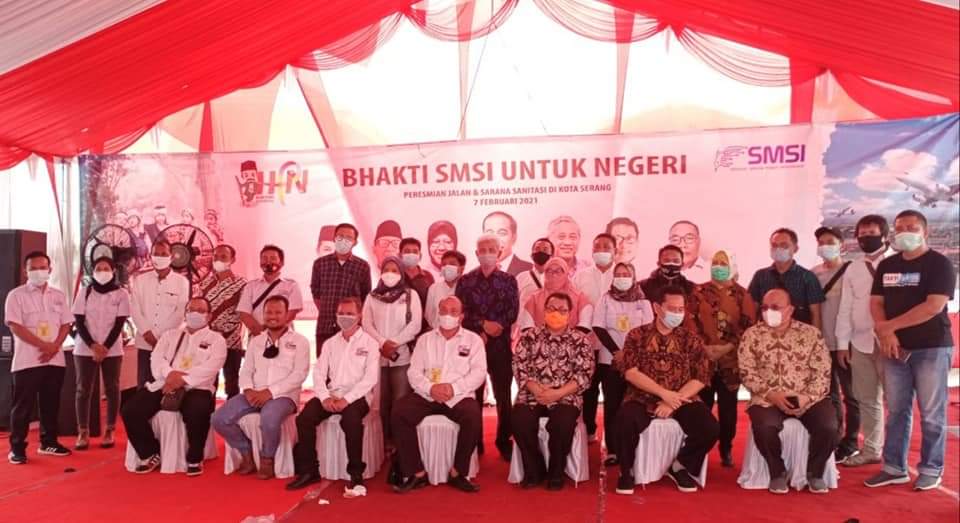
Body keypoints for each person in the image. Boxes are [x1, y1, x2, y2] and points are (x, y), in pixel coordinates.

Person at [865, 210, 956, 492]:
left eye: (912, 227)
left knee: (931, 413)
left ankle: (931, 469)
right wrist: (887, 333)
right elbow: (876, 302)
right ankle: (894, 468)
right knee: (897, 411)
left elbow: (933, 306)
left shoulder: (940, 264)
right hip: (894, 348)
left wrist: (888, 327)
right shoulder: (887, 265)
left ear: (925, 232)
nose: (905, 232)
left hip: (931, 348)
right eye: (900, 227)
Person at [614, 285, 718, 495]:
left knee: (710, 428)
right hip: (642, 396)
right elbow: (631, 373)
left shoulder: (690, 339)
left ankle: (680, 466)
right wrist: (664, 394)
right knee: (624, 421)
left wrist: (674, 400)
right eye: (672, 309)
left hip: (682, 397)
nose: (677, 314)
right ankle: (627, 471)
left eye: (681, 309)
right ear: (657, 308)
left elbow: (701, 377)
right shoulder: (637, 335)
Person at [739, 289, 836, 494]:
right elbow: (747, 373)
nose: (769, 312)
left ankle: (815, 473)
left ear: (790, 310)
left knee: (828, 426)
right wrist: (771, 395)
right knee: (764, 426)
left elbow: (823, 372)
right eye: (765, 308)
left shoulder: (811, 334)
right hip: (767, 398)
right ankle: (777, 472)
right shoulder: (752, 335)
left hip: (807, 397)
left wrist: (807, 397)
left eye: (775, 307)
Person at [121, 297, 227, 476]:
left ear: (209, 316)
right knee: (130, 409)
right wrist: (170, 375)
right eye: (191, 310)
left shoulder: (216, 340)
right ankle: (149, 453)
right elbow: (156, 358)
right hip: (165, 383)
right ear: (185, 313)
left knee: (197, 410)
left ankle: (194, 458)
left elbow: (212, 366)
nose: (195, 313)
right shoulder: (170, 335)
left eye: (200, 311)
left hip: (197, 387)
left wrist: (184, 379)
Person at [391, 296, 487, 494]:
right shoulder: (425, 340)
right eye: (444, 310)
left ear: (461, 316)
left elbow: (479, 373)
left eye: (453, 311)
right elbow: (414, 372)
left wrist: (454, 388)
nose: (447, 315)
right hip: (427, 394)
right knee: (399, 412)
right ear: (437, 313)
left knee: (472, 416)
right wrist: (431, 388)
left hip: (458, 395)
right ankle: (416, 473)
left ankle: (458, 473)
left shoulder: (473, 340)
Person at [287, 297, 379, 491]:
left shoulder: (370, 344)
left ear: (359, 316)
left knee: (351, 420)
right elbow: (319, 373)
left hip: (358, 396)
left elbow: (370, 379)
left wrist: (347, 399)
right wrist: (325, 397)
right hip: (332, 394)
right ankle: (309, 471)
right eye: (341, 313)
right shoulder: (330, 343)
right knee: (304, 418)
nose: (345, 317)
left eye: (350, 313)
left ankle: (356, 473)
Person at [212, 296, 310, 480]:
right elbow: (246, 370)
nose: (273, 316)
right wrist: (248, 390)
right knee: (219, 418)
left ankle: (267, 458)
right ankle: (246, 453)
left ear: (287, 315)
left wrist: (270, 393)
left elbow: (299, 375)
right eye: (269, 312)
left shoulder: (300, 341)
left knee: (269, 418)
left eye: (278, 312)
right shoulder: (256, 341)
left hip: (284, 396)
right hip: (254, 393)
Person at [512, 292, 594, 491]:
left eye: (562, 310)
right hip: (533, 393)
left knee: (562, 423)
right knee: (520, 419)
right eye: (551, 309)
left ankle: (556, 471)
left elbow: (584, 374)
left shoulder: (581, 341)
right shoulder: (529, 337)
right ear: (544, 311)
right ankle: (534, 469)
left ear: (570, 314)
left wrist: (557, 393)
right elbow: (519, 366)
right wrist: (535, 389)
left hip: (566, 395)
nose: (556, 313)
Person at [687, 250, 756, 467]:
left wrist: (726, 347)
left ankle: (726, 447)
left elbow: (748, 324)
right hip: (704, 359)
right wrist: (704, 347)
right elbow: (690, 320)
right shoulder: (698, 292)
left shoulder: (742, 295)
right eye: (715, 263)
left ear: (731, 266)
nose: (718, 266)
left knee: (728, 411)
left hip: (730, 362)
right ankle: (700, 449)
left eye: (723, 263)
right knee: (702, 407)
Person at [5, 251, 74, 463]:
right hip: (27, 360)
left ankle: (49, 442)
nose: (38, 272)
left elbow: (66, 324)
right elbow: (15, 326)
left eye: (42, 267)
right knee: (22, 407)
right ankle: (17, 448)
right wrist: (44, 346)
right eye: (33, 268)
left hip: (55, 360)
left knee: (51, 404)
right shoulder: (16, 295)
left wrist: (55, 346)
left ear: (50, 269)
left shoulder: (58, 295)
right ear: (25, 271)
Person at [455, 233, 520, 460]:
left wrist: (497, 327)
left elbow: (512, 311)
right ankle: (475, 441)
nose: (487, 254)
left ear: (499, 252)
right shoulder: (465, 281)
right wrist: (482, 326)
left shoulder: (509, 281)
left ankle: (504, 440)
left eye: (492, 250)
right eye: (483, 250)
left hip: (500, 346)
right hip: (472, 346)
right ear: (476, 253)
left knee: (503, 396)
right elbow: (461, 312)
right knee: (473, 395)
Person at [835, 215, 892, 467]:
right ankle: (871, 449)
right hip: (860, 342)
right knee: (867, 399)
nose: (866, 238)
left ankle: (896, 455)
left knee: (896, 402)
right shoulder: (854, 268)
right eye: (862, 234)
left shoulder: (897, 263)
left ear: (885, 236)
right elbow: (845, 307)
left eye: (872, 233)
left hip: (891, 342)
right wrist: (842, 344)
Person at [592, 262, 654, 466]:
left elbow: (648, 331)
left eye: (626, 274)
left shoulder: (643, 301)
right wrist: (616, 352)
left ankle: (633, 447)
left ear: (633, 277)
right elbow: (598, 327)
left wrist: (630, 355)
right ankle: (613, 450)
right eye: (618, 274)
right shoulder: (605, 298)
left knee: (634, 406)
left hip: (637, 364)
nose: (622, 278)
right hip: (610, 361)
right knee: (612, 405)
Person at [362, 256, 423, 448]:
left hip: (402, 356)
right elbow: (366, 323)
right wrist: (383, 343)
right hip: (378, 356)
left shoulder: (411, 295)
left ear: (401, 274)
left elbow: (415, 324)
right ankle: (383, 442)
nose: (390, 274)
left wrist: (394, 343)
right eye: (386, 270)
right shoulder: (372, 296)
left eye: (395, 270)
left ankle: (399, 444)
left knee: (400, 402)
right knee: (381, 402)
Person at [812, 226, 860, 464]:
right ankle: (835, 438)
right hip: (823, 344)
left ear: (842, 245)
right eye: (821, 242)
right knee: (830, 396)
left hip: (847, 344)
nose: (825, 246)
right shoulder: (813, 274)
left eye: (830, 242)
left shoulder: (852, 270)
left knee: (852, 394)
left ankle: (851, 442)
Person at [71, 257, 130, 450]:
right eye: (98, 268)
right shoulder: (85, 292)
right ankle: (83, 431)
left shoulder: (121, 294)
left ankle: (110, 429)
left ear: (113, 271)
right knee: (83, 389)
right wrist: (93, 345)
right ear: (93, 271)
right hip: (84, 348)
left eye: (106, 268)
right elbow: (79, 322)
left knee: (112, 388)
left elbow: (119, 323)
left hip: (112, 349)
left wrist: (104, 347)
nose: (102, 272)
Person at [574, 233, 618, 442]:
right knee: (589, 390)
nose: (601, 250)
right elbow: (574, 307)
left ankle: (612, 436)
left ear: (615, 251)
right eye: (597, 247)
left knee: (612, 392)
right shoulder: (580, 276)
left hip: (613, 345)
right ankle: (589, 430)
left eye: (606, 247)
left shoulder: (622, 276)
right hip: (588, 344)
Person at [130, 239, 190, 387]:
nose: (160, 257)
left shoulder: (182, 282)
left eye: (164, 254)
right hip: (145, 342)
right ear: (150, 256)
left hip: (169, 344)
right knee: (144, 384)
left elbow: (180, 312)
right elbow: (135, 309)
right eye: (156, 254)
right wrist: (147, 333)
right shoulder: (140, 280)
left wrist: (162, 338)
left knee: (166, 385)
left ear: (171, 256)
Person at [310, 223, 372, 355]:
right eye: (340, 236)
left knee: (351, 365)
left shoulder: (362, 266)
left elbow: (365, 297)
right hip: (325, 327)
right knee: (324, 365)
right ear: (334, 238)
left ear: (355, 242)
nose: (344, 240)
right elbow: (316, 293)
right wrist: (328, 310)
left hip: (351, 330)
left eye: (348, 238)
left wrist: (351, 318)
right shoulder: (320, 264)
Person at [747, 228, 825, 329]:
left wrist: (816, 337)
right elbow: (752, 311)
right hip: (766, 335)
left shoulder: (808, 277)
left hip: (799, 335)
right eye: (774, 245)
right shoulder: (760, 276)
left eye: (784, 245)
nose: (778, 249)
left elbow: (816, 315)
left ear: (796, 248)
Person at [199, 244, 247, 398]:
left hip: (231, 341)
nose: (218, 260)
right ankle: (206, 412)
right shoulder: (205, 283)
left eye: (223, 257)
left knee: (232, 383)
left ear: (232, 259)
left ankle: (232, 412)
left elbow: (244, 312)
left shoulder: (242, 284)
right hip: (208, 341)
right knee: (207, 382)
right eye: (216, 257)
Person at [238, 244, 303, 341]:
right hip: (257, 338)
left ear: (281, 262)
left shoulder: (291, 285)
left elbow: (292, 312)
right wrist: (261, 335)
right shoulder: (250, 286)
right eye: (264, 258)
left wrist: (273, 333)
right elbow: (244, 313)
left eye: (273, 258)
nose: (268, 261)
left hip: (284, 339)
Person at [518, 258, 591, 331]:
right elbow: (526, 325)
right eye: (549, 271)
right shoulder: (534, 297)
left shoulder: (579, 297)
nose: (554, 274)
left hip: (573, 337)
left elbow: (585, 325)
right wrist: (540, 337)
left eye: (558, 271)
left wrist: (571, 337)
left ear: (566, 274)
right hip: (539, 337)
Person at [399, 237, 435, 337]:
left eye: (415, 251)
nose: (411, 254)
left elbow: (432, 304)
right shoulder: (393, 275)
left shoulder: (428, 277)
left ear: (420, 256)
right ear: (399, 255)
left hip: (423, 329)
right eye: (407, 251)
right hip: (399, 328)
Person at [425, 250, 466, 329]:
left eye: (452, 264)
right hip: (436, 332)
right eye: (444, 264)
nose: (447, 267)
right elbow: (429, 315)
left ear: (461, 268)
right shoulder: (434, 288)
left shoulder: (467, 289)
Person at [482, 211, 531, 276]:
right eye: (489, 233)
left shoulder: (530, 271)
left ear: (514, 238)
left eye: (502, 233)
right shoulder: (475, 275)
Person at [515, 239, 555, 315]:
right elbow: (513, 304)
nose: (541, 252)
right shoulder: (521, 277)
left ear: (552, 256)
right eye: (537, 249)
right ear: (531, 255)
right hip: (523, 321)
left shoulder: (558, 279)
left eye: (545, 249)